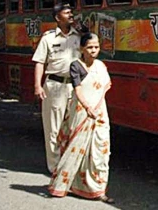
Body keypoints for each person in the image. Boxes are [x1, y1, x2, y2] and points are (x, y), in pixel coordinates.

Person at [48, 33, 113, 203]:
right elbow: (77, 90)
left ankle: (99, 190)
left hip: (99, 115)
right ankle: (68, 185)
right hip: (81, 113)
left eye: (96, 47)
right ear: (82, 49)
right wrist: (87, 107)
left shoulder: (101, 66)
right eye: (90, 47)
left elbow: (102, 90)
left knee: (100, 151)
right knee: (76, 149)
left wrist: (95, 109)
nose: (94, 50)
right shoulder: (76, 66)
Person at [33, 3, 81, 173]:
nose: (70, 14)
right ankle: (55, 167)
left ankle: (69, 164)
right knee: (54, 127)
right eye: (66, 12)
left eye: (71, 12)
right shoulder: (48, 38)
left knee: (73, 126)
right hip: (54, 85)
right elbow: (40, 62)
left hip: (75, 87)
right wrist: (38, 86)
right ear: (57, 18)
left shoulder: (79, 37)